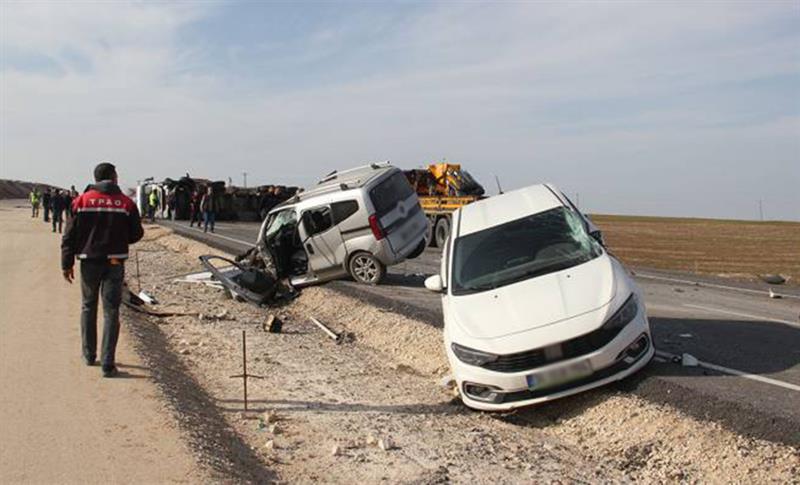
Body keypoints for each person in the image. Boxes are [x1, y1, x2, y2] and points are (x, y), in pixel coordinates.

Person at [62, 162, 144, 377]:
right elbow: (137, 233)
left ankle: (89, 355)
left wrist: (66, 263)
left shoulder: (80, 201)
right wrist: (119, 239)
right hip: (115, 262)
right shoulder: (126, 203)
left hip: (89, 261)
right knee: (111, 311)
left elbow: (69, 235)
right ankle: (108, 363)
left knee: (88, 307)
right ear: (113, 177)